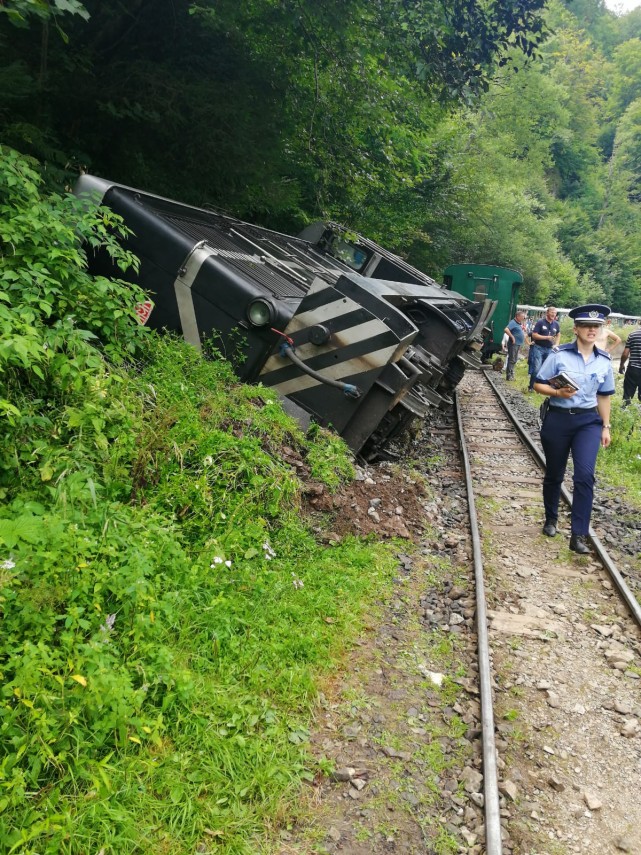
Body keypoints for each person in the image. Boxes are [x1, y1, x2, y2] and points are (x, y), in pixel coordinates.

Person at [534, 305, 615, 554]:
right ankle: (551, 519)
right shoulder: (559, 355)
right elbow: (538, 384)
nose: (592, 330)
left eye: (596, 326)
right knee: (554, 473)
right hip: (558, 419)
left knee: (585, 476)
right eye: (587, 326)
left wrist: (606, 426)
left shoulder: (604, 361)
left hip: (588, 423)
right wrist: (557, 392)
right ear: (576, 329)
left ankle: (578, 534)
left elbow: (604, 396)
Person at [528, 306, 560, 392]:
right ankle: (531, 387)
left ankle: (541, 387)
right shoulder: (540, 322)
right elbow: (534, 335)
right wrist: (546, 337)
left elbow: (558, 334)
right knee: (537, 369)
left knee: (546, 369)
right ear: (547, 313)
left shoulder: (556, 324)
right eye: (552, 312)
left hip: (549, 349)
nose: (554, 314)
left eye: (555, 313)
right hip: (538, 348)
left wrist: (557, 344)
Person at [619, 325, 641, 406]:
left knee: (627, 396)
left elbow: (625, 354)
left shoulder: (633, 335)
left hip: (633, 369)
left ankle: (625, 409)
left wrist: (621, 365)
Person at [504, 310, 526, 380]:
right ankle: (509, 375)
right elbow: (506, 329)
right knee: (512, 359)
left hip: (517, 344)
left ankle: (511, 374)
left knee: (514, 359)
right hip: (513, 344)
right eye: (522, 316)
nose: (523, 318)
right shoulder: (513, 322)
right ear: (518, 316)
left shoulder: (518, 323)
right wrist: (512, 337)